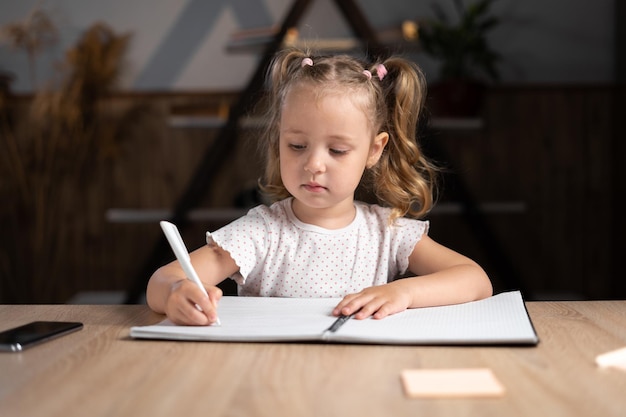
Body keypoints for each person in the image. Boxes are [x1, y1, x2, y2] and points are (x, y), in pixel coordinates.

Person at [146, 48, 493, 325]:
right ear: (278, 141)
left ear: (375, 150)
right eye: (296, 146)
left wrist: (403, 293)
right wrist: (177, 292)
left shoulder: (388, 233)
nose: (313, 164)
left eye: (338, 150)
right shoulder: (261, 232)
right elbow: (162, 281)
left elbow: (475, 280)